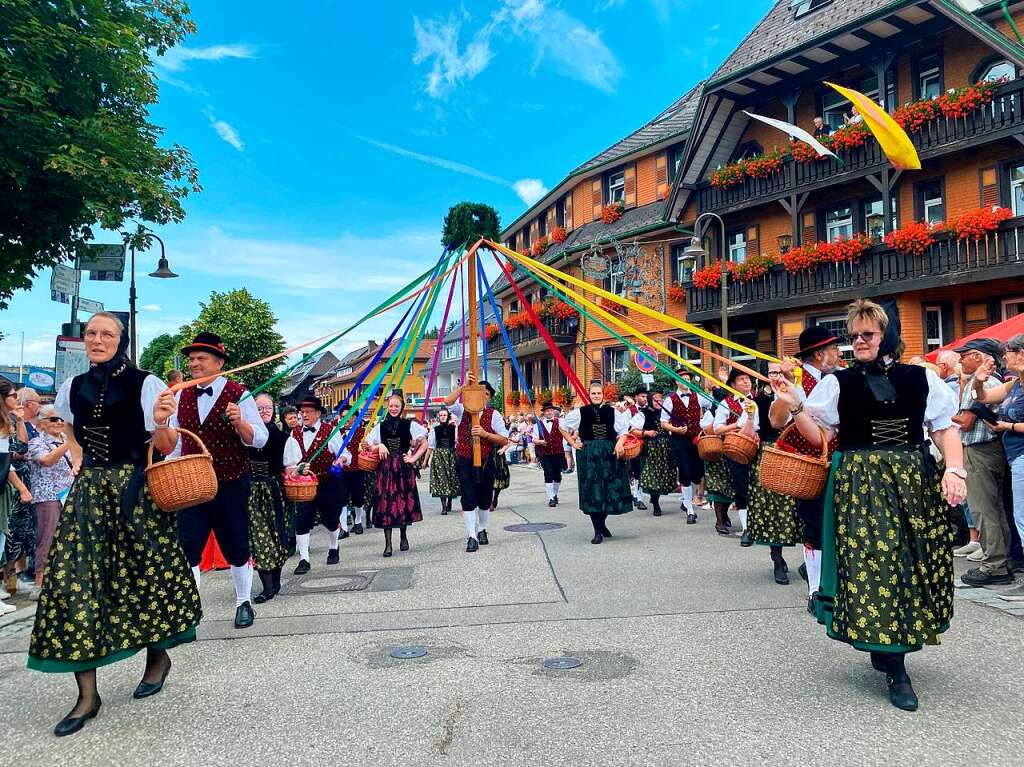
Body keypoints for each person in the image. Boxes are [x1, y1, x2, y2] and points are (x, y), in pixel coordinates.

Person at [772, 299, 964, 712]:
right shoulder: (839, 382)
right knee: (876, 562)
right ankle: (896, 666)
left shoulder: (920, 378)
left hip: (913, 480)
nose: (858, 341)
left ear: (887, 337)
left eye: (867, 335)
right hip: (862, 484)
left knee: (910, 562)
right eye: (854, 335)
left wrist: (955, 471)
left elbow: (945, 430)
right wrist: (795, 403)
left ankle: (892, 645)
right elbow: (817, 434)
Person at [28, 312, 201, 736]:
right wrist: (77, 454)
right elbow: (67, 425)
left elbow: (166, 446)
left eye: (107, 334)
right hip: (89, 491)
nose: (97, 339)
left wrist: (162, 422)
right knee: (73, 582)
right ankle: (87, 696)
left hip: (135, 490)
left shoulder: (147, 384)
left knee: (149, 574)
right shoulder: (73, 387)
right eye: (91, 333)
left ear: (122, 340)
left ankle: (158, 654)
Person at [169, 332, 268, 630]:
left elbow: (259, 439)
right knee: (187, 547)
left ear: (219, 363)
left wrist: (240, 423)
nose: (194, 364)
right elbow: (175, 444)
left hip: (230, 482)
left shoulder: (240, 394)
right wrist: (169, 470)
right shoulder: (180, 394)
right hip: (192, 485)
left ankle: (243, 602)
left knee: (236, 545)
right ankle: (189, 607)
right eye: (191, 359)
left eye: (201, 359)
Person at [770, 325, 841, 612]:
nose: (838, 354)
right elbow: (776, 421)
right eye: (834, 349)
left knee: (834, 524)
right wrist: (783, 388)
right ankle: (814, 590)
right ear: (821, 354)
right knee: (813, 524)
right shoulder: (795, 380)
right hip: (806, 465)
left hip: (837, 461)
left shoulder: (837, 380)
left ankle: (829, 579)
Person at [970, 333, 1024, 601]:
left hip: (1023, 455)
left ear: (1021, 355)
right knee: (1019, 516)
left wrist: (1009, 426)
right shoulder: (1014, 385)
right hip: (1014, 455)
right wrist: (978, 382)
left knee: (1022, 517)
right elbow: (983, 398)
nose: (1004, 359)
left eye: (1008, 354)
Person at [954, 340, 1012, 586]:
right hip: (987, 449)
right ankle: (1000, 560)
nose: (960, 360)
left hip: (980, 450)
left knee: (984, 508)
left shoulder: (986, 382)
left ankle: (995, 564)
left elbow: (965, 421)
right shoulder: (987, 381)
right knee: (993, 508)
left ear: (978, 357)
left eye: (964, 356)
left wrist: (938, 418)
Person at [560, 380, 633, 544]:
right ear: (589, 395)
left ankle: (602, 524)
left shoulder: (613, 412)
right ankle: (597, 531)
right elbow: (562, 427)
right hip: (589, 454)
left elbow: (623, 431)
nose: (596, 396)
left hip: (609, 453)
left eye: (598, 393)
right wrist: (573, 443)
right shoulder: (580, 412)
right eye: (593, 393)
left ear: (603, 394)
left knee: (609, 489)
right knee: (593, 491)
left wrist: (620, 443)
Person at [746, 363, 799, 585]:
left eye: (779, 372)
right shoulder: (757, 401)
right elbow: (749, 431)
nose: (775, 376)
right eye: (771, 373)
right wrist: (749, 419)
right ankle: (776, 558)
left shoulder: (797, 393)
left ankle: (812, 562)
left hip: (794, 452)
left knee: (796, 506)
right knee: (771, 507)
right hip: (768, 454)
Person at [283, 395, 350, 573]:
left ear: (318, 414)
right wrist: (296, 470)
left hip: (328, 482)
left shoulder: (331, 431)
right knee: (303, 520)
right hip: (305, 485)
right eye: (302, 412)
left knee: (330, 519)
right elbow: (290, 461)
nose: (303, 415)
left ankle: (334, 546)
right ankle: (304, 559)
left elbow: (346, 454)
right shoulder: (294, 433)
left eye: (308, 412)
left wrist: (340, 460)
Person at [444, 377, 510, 552]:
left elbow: (504, 439)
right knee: (468, 497)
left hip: (486, 461)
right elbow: (447, 401)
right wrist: (465, 387)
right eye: (478, 391)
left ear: (489, 397)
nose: (482, 395)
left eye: (486, 393)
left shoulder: (493, 415)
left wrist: (485, 434)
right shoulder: (461, 410)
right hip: (464, 460)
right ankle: (471, 536)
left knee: (484, 498)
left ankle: (482, 529)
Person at [364, 394, 428, 557]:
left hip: (403, 467)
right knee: (386, 502)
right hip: (385, 468)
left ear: (401, 407)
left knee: (402, 500)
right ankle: (388, 544)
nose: (393, 409)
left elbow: (425, 443)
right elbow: (367, 446)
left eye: (396, 406)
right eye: (391, 406)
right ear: (387, 406)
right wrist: (379, 446)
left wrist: (413, 458)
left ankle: (404, 536)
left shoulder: (409, 425)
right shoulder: (380, 426)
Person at [26, 405, 74, 599]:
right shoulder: (37, 442)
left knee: (66, 538)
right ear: (42, 423)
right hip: (48, 496)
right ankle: (39, 582)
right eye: (54, 419)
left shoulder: (65, 441)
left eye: (62, 419)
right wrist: (69, 443)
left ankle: (62, 579)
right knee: (46, 538)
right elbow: (46, 460)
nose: (60, 423)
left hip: (68, 495)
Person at [706, 369, 759, 537]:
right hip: (734, 449)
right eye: (741, 379)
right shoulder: (726, 403)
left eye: (747, 378)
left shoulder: (759, 400)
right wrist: (736, 425)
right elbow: (717, 428)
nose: (746, 382)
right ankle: (744, 527)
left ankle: (758, 523)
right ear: (733, 385)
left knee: (757, 487)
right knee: (738, 487)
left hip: (758, 448)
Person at [248, 393, 290, 604]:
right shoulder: (245, 435)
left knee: (278, 535)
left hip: (275, 491)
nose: (264, 411)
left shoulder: (282, 438)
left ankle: (276, 580)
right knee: (259, 537)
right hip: (253, 492)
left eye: (268, 407)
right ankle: (267, 586)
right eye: (260, 408)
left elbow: (290, 465)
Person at [660, 369, 710, 522]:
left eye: (688, 378)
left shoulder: (699, 397)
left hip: (696, 440)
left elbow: (711, 406)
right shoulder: (670, 400)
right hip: (679, 441)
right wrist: (675, 429)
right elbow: (663, 423)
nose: (686, 381)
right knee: (685, 473)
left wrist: (704, 422)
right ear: (676, 381)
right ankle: (690, 509)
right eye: (682, 379)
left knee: (698, 473)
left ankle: (687, 499)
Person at [1, 383, 33, 615]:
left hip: (8, 484)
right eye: (13, 395)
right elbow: (10, 458)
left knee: (11, 536)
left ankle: (8, 583)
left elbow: (21, 448)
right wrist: (21, 487)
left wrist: (20, 421)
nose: (17, 399)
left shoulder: (9, 422)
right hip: (6, 485)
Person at [640, 391, 676, 516]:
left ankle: (656, 497)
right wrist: (646, 433)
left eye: (660, 400)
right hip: (652, 448)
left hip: (666, 446)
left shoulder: (665, 413)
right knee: (653, 474)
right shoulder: (643, 413)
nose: (658, 402)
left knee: (664, 473)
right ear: (650, 400)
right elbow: (633, 429)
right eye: (655, 400)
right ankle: (655, 502)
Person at [338, 405, 368, 534]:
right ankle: (343, 527)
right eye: (343, 417)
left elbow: (368, 448)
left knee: (358, 496)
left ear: (355, 418)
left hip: (357, 468)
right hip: (341, 470)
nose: (345, 420)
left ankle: (358, 522)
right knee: (341, 498)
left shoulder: (362, 432)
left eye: (348, 417)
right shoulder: (337, 432)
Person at [533, 401, 566, 507]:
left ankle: (555, 494)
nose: (550, 412)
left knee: (557, 476)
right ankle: (551, 498)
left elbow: (568, 433)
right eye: (547, 411)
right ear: (544, 413)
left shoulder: (561, 422)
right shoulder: (538, 425)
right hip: (545, 453)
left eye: (551, 410)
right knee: (548, 473)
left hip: (558, 452)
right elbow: (534, 439)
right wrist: (541, 442)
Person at [427, 407, 459, 514]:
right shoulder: (434, 429)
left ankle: (449, 501)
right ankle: (444, 507)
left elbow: (457, 442)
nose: (442, 417)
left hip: (451, 454)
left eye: (444, 415)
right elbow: (431, 446)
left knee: (451, 478)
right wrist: (425, 460)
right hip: (439, 455)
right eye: (440, 415)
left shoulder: (454, 428)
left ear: (448, 416)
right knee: (442, 479)